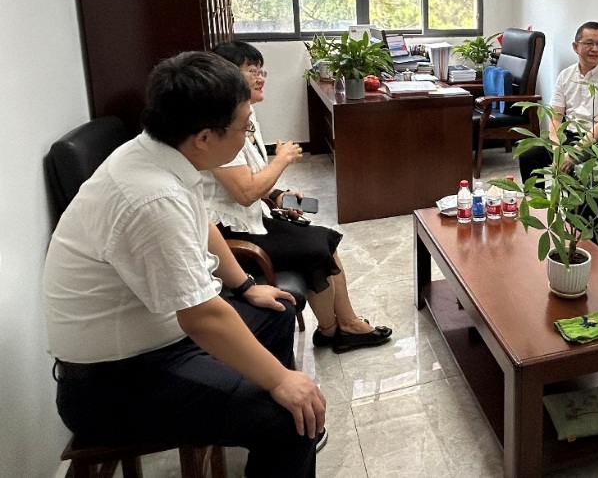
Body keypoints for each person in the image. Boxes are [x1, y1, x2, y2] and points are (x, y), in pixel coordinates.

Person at [44, 52, 326, 478]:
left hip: (155, 341)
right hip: (116, 382)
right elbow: (201, 318)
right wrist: (280, 381)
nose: (248, 136)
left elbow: (202, 224)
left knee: (278, 310)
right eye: (244, 128)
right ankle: (277, 426)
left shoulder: (158, 154)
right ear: (205, 137)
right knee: (288, 421)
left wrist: (247, 285)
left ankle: (262, 425)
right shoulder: (152, 197)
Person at [203, 41, 392, 353]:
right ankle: (335, 329)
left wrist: (279, 196)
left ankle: (343, 324)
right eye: (252, 71)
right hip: (227, 232)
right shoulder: (220, 126)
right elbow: (245, 192)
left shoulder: (246, 114)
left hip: (249, 218)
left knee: (324, 240)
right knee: (317, 247)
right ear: (226, 78)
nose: (261, 78)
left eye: (262, 71)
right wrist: (282, 159)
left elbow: (253, 180)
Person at [517, 21, 598, 182]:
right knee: (528, 155)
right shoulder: (565, 75)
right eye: (589, 43)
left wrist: (572, 153)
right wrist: (557, 148)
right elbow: (556, 118)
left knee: (573, 168)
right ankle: (536, 198)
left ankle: (572, 200)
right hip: (569, 135)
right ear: (575, 47)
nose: (595, 49)